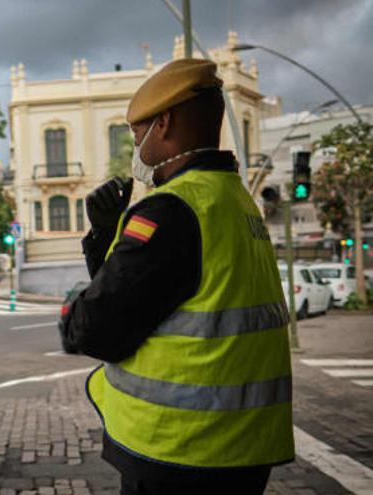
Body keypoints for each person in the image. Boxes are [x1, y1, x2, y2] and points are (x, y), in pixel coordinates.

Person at [61, 58, 294, 495]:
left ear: (162, 124)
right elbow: (158, 303)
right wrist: (106, 238)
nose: (136, 147)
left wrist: (96, 249)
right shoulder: (236, 203)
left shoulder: (172, 210)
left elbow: (95, 330)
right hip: (243, 450)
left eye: (135, 134)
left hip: (180, 450)